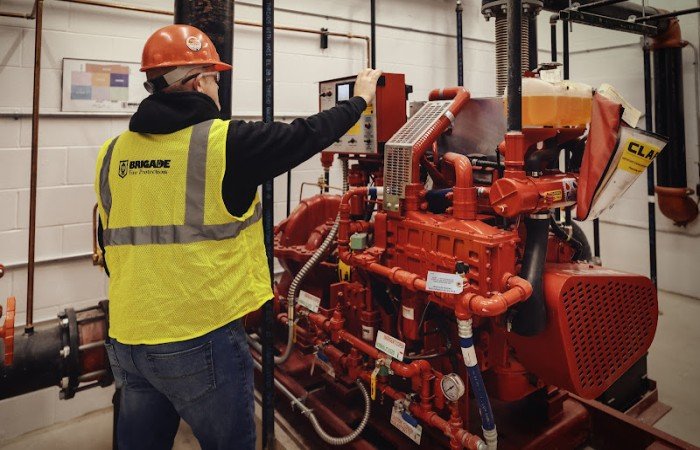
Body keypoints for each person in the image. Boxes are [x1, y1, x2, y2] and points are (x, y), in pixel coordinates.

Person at [95, 24, 381, 450]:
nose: (218, 89)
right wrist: (359, 100)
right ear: (198, 82)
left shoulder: (112, 151)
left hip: (127, 338)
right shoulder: (222, 144)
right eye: (215, 79)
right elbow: (305, 135)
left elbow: (109, 241)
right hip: (201, 339)